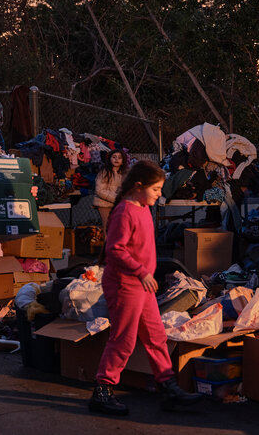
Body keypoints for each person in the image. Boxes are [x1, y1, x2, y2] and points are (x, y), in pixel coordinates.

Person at [89, 159, 201, 415]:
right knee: (124, 340)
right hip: (124, 285)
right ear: (138, 186)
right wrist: (141, 272)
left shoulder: (142, 207)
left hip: (142, 287)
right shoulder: (125, 212)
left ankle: (168, 387)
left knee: (155, 336)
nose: (160, 194)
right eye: (156, 189)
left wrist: (147, 274)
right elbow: (114, 249)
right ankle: (103, 390)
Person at [92, 149, 126, 235]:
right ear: (110, 159)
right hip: (103, 203)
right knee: (108, 227)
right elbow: (99, 190)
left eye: (119, 158)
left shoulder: (123, 173)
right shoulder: (104, 172)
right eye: (114, 157)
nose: (116, 159)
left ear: (123, 161)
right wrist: (117, 198)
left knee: (119, 227)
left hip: (117, 204)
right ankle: (107, 247)